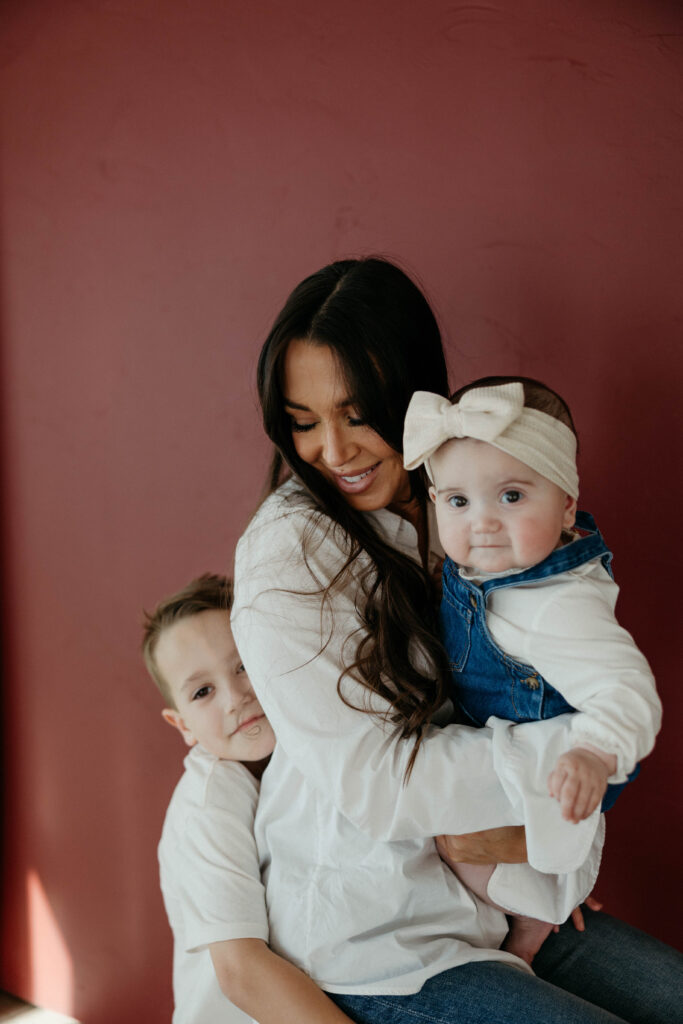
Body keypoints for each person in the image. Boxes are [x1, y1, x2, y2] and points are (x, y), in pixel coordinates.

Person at [231, 256, 683, 1024]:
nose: (333, 451)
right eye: (303, 422)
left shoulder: (468, 499)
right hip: (377, 932)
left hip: (493, 896)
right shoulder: (288, 553)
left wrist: (543, 847)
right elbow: (379, 785)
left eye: (357, 412)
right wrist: (584, 759)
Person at [402, 377, 661, 962]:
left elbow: (628, 690)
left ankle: (529, 928)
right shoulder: (482, 568)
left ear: (567, 503)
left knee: (465, 858)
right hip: (485, 758)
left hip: (534, 787)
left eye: (512, 496)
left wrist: (595, 753)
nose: (483, 523)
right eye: (458, 501)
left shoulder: (558, 602)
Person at [142, 573, 357, 1024]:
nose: (236, 697)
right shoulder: (209, 801)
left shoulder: (305, 754)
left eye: (243, 665)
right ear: (181, 726)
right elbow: (241, 972)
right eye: (203, 692)